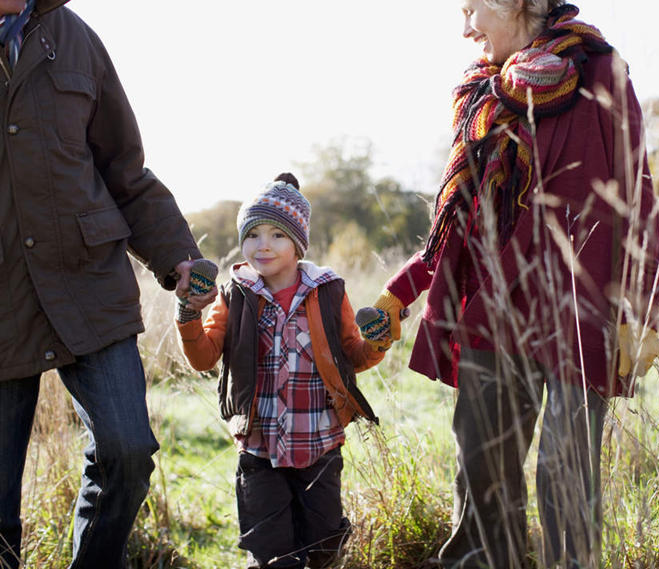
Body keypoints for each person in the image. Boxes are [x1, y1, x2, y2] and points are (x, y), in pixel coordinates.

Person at [361, 1, 659, 567]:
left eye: (475, 8)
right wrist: (404, 291)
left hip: (582, 306)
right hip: (491, 304)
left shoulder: (599, 70)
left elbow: (636, 190)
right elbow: (460, 215)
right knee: (482, 465)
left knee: (563, 469)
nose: (465, 26)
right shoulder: (481, 93)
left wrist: (642, 304)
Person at [0, 1, 208, 568]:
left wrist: (179, 257)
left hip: (87, 287)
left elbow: (125, 170)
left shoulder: (75, 39)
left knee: (127, 453)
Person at [176, 173, 382, 569]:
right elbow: (203, 358)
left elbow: (354, 356)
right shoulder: (234, 294)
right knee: (272, 555)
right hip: (259, 448)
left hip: (318, 444)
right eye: (253, 234)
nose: (263, 245)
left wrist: (377, 342)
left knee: (324, 547)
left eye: (277, 235)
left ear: (298, 242)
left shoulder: (328, 291)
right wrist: (188, 315)